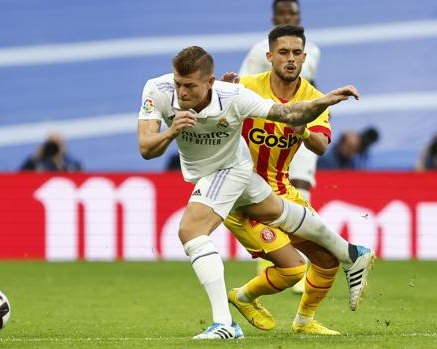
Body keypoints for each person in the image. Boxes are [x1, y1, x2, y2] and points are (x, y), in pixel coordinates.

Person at [137, 45, 374, 340]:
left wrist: (325, 100)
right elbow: (146, 148)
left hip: (230, 169)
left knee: (191, 231)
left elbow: (287, 112)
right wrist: (170, 132)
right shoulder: (157, 90)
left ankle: (224, 324)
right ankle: (349, 252)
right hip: (221, 172)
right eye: (178, 84)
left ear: (210, 83)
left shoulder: (233, 97)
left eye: (190, 86)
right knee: (278, 212)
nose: (181, 92)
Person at [222, 24, 354, 336]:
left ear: (305, 57)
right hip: (242, 197)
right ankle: (242, 296)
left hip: (283, 192)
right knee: (293, 268)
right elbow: (213, 116)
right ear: (269, 56)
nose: (290, 58)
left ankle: (304, 322)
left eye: (296, 52)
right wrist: (223, 96)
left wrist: (303, 130)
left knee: (327, 260)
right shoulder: (246, 87)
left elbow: (321, 145)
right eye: (283, 52)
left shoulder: (315, 99)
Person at [240, 0, 322, 292]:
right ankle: (270, 258)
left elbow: (309, 88)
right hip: (268, 130)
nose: (288, 16)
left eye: (293, 14)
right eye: (284, 13)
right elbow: (242, 89)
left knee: (300, 185)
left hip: (298, 132)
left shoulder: (312, 51)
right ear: (274, 17)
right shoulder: (258, 51)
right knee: (265, 193)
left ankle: (297, 257)